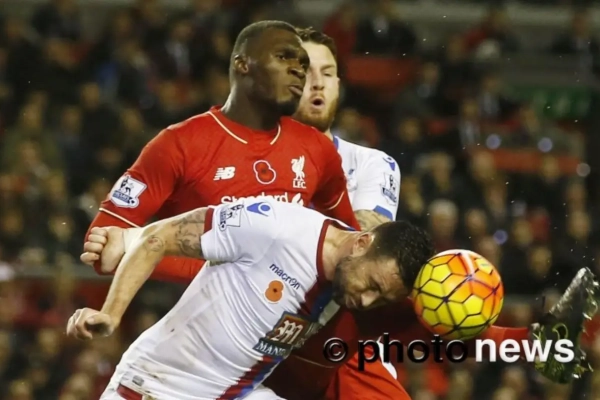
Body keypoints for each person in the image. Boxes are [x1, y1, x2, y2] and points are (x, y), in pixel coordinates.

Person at [83, 26, 596, 399]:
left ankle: (536, 344)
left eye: (327, 72)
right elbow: (127, 235)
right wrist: (123, 243)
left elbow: (367, 238)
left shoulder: (367, 163)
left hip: (329, 329)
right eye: (302, 70)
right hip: (239, 333)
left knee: (415, 297)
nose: (314, 83)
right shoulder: (200, 144)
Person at [68, 196, 436, 399]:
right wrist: (111, 313)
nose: (366, 301)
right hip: (157, 384)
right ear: (361, 243)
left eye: (380, 298)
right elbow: (157, 239)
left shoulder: (349, 284)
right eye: (371, 285)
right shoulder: (277, 226)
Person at [83, 20, 361, 284]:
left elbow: (353, 246)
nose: (299, 70)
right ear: (242, 64)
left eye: (302, 63)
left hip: (292, 317)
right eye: (283, 57)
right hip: (195, 314)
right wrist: (230, 274)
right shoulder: (179, 144)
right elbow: (103, 244)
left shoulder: (317, 148)